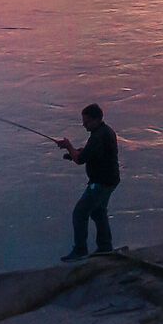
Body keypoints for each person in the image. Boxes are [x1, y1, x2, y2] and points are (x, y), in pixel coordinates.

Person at [54, 103, 121, 260]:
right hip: (110, 180)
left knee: (79, 213)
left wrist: (69, 147)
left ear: (97, 119)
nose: (84, 125)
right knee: (98, 212)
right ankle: (105, 247)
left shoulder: (98, 136)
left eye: (87, 122)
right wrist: (73, 152)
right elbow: (89, 153)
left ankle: (80, 250)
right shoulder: (105, 131)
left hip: (100, 182)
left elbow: (80, 160)